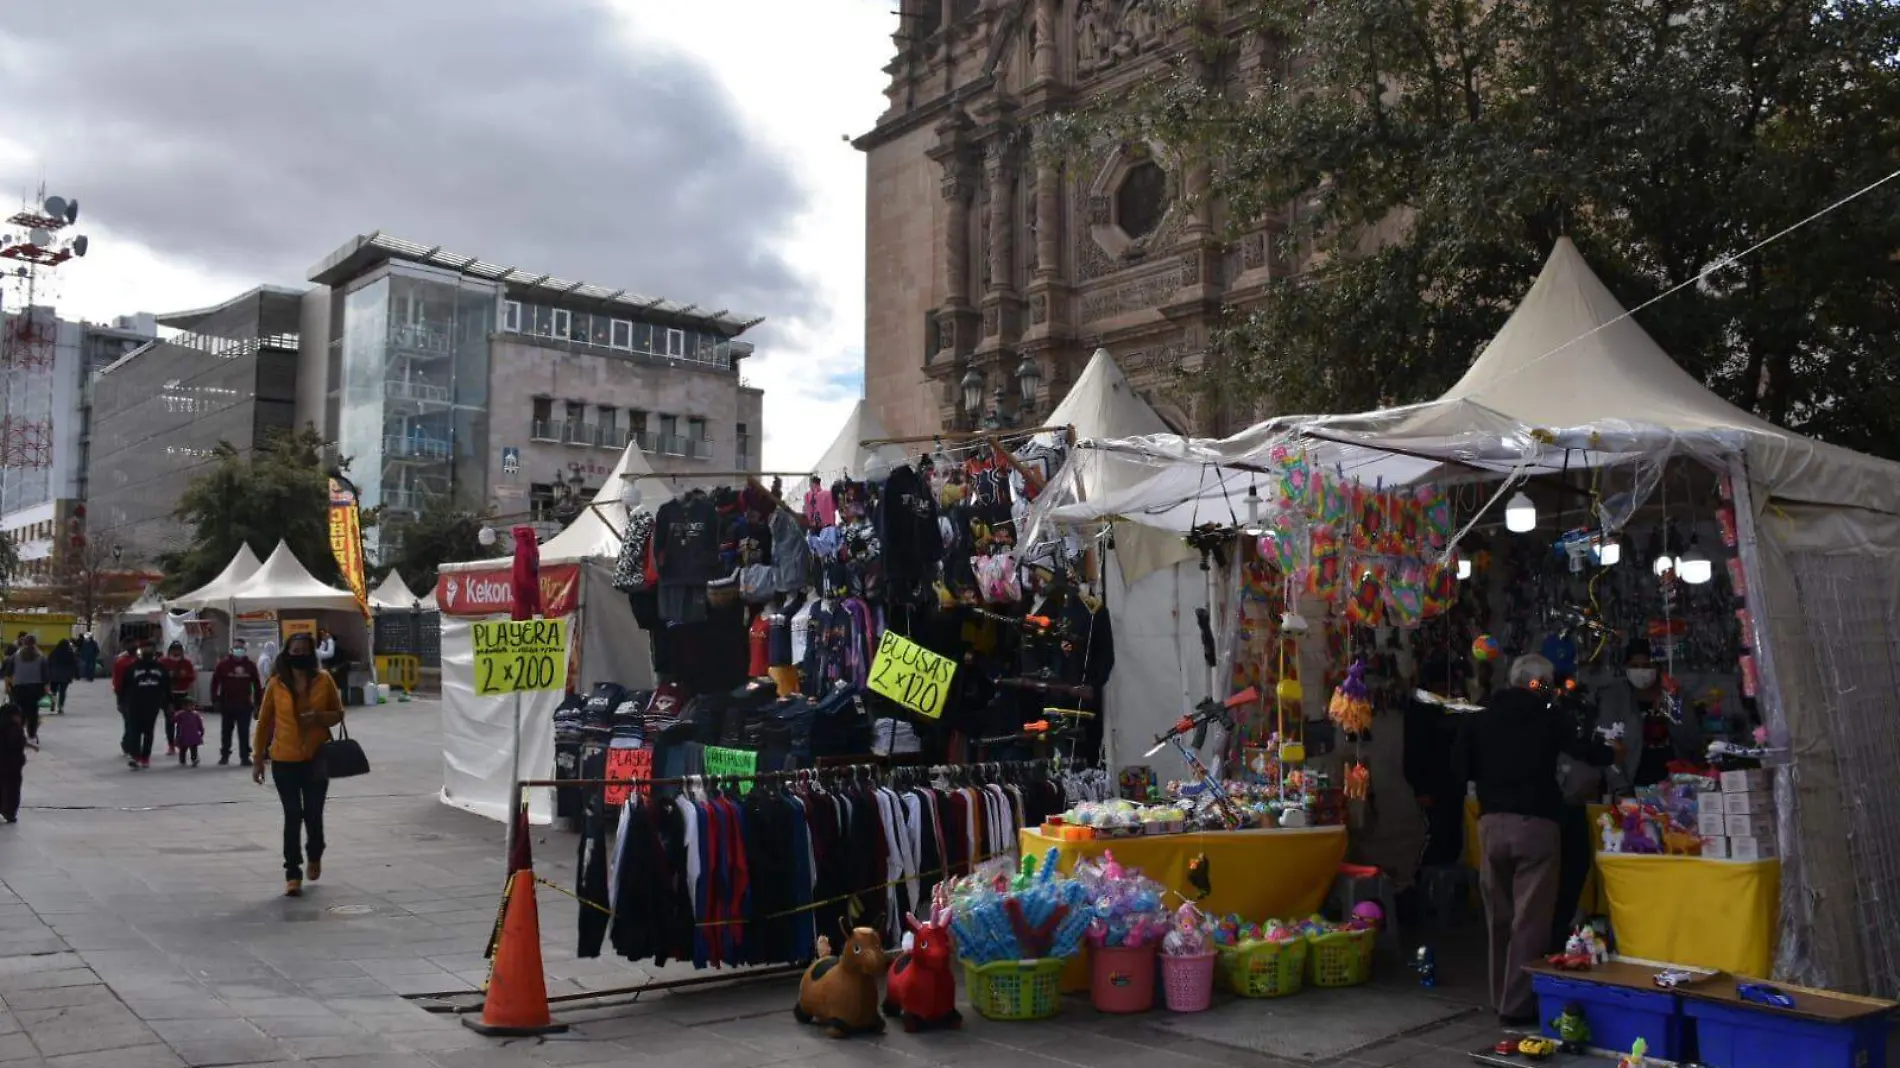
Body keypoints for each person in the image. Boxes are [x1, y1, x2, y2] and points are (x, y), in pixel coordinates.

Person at [1458, 653, 1623, 1026]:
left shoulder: (1480, 716)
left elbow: (1460, 765)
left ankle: (1499, 997)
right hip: (1536, 824)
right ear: (1539, 684)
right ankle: (1517, 1007)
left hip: (1491, 822)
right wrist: (1613, 752)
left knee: (1498, 917)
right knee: (1529, 921)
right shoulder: (1548, 715)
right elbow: (1583, 749)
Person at [253, 632, 344, 897]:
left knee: (313, 814)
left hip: (317, 758)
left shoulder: (324, 680)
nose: (300, 654)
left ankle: (315, 853)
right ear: (286, 653)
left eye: (305, 650)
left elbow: (338, 714)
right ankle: (292, 872)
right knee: (293, 815)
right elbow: (263, 722)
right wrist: (258, 759)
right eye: (295, 650)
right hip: (284, 759)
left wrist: (317, 717)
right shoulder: (276, 684)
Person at [1596, 638, 1702, 791]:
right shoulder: (1614, 698)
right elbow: (1606, 746)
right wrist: (1620, 788)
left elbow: (1691, 742)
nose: (1641, 671)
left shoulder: (1674, 695)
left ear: (1658, 668)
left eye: (1647, 666)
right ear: (1626, 668)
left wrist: (1673, 709)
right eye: (1635, 666)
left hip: (1675, 784)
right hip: (1631, 785)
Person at [211, 639, 263, 766]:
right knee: (226, 731)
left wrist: (258, 703)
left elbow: (257, 684)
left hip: (245, 704)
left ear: (245, 650)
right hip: (227, 704)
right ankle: (224, 755)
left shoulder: (250, 666)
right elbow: (215, 683)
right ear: (232, 650)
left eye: (241, 648)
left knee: (244, 732)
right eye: (236, 648)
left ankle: (245, 757)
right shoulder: (223, 665)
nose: (238, 650)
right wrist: (215, 700)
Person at [122, 643, 172, 769]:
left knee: (149, 731)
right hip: (135, 704)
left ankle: (145, 757)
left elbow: (167, 687)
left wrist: (168, 703)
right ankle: (135, 756)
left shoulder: (160, 668)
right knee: (135, 731)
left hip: (152, 704)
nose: (147, 650)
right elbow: (124, 686)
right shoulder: (132, 667)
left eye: (149, 648)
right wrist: (121, 702)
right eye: (145, 648)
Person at [2, 635, 48, 747]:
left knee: (19, 712)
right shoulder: (41, 657)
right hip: (35, 688)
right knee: (33, 713)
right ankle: (31, 736)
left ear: (23, 643)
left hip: (18, 688)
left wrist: (9, 686)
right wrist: (45, 687)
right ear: (35, 643)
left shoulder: (15, 656)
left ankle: (18, 735)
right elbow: (45, 675)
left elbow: (8, 673)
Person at [158, 641, 196, 756]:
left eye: (178, 650)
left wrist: (185, 676)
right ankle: (171, 745)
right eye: (174, 649)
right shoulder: (163, 662)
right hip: (168, 695)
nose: (176, 652)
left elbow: (192, 676)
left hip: (182, 694)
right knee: (169, 720)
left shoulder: (186, 662)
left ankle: (180, 742)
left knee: (182, 720)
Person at [112, 642, 140, 757]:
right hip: (136, 695)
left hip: (124, 696)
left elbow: (117, 681)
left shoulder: (121, 662)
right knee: (133, 722)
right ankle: (130, 745)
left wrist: (118, 695)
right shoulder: (138, 662)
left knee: (128, 722)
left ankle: (128, 744)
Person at [0, 703, 25, 823]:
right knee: (12, 789)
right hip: (12, 765)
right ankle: (9, 812)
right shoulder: (15, 728)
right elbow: (15, 745)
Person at [48, 638, 77, 714]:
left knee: (53, 691)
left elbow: (48, 662)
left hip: (54, 675)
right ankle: (60, 707)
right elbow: (74, 664)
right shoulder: (70, 653)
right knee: (62, 692)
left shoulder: (54, 652)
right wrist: (73, 674)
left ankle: (53, 703)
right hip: (65, 676)